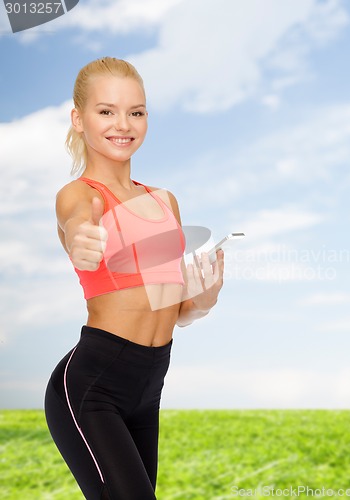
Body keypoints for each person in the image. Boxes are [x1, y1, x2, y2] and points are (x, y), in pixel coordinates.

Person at [44, 57, 224, 500]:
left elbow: (171, 310)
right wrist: (79, 239)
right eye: (106, 111)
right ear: (79, 118)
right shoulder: (80, 195)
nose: (123, 124)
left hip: (149, 386)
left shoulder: (164, 202)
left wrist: (201, 301)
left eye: (136, 112)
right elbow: (74, 225)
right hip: (93, 386)